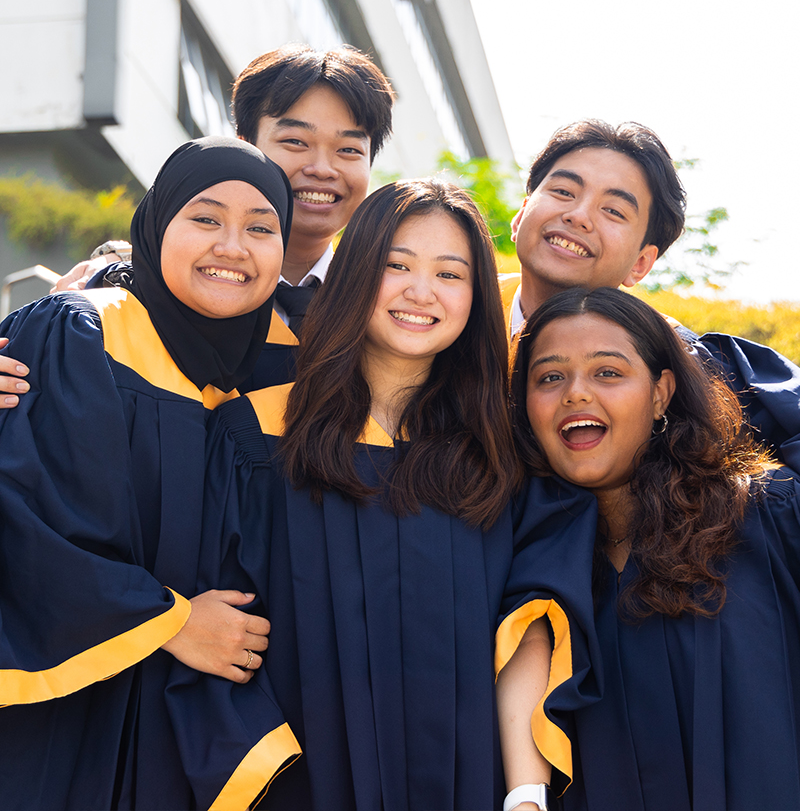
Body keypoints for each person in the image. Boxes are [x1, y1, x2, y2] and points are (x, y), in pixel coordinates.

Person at [164, 180, 599, 811]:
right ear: (355, 274)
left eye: (450, 274)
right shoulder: (255, 435)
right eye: (396, 265)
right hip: (297, 781)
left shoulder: (505, 455)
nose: (421, 292)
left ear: (476, 298)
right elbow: (211, 633)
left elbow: (533, 628)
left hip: (469, 784)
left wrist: (525, 793)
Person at [0, 138, 294, 810]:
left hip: (177, 733)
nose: (232, 245)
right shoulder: (80, 332)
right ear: (158, 225)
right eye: (205, 218)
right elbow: (22, 520)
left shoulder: (261, 379)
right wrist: (171, 621)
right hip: (58, 719)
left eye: (260, 228)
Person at [510, 286, 800, 810]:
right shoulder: (535, 573)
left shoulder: (769, 516)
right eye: (550, 377)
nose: (575, 393)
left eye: (608, 372)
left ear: (661, 392)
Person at [504, 119, 800, 470]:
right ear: (521, 215)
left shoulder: (681, 362)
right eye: (563, 192)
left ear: (641, 264)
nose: (578, 216)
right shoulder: (448, 309)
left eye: (613, 211)